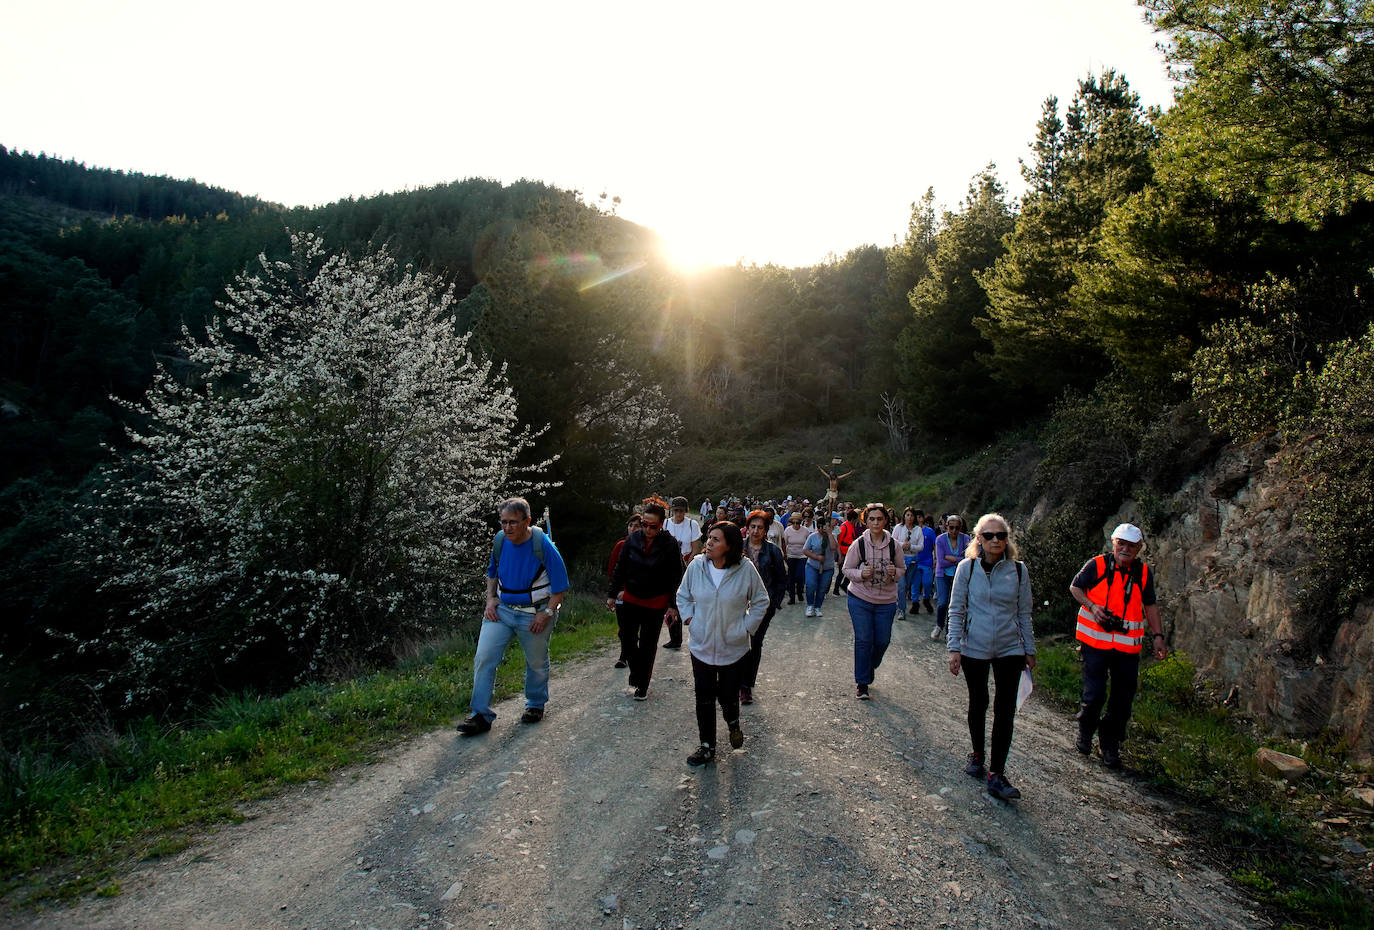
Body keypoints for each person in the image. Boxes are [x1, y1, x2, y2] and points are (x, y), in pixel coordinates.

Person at [458, 498, 569, 736]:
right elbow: (492, 573)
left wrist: (546, 614)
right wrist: (490, 599)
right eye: (504, 522)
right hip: (502, 611)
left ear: (527, 521)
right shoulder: (500, 541)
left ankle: (535, 704)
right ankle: (480, 715)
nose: (507, 528)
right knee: (484, 657)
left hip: (535, 614)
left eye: (513, 523)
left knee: (536, 662)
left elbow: (560, 588)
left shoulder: (543, 545)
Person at [946, 513, 1036, 801]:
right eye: (988, 536)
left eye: (1000, 535)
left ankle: (996, 773)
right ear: (978, 539)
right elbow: (956, 609)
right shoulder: (966, 569)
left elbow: (1024, 613)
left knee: (1005, 709)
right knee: (979, 701)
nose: (995, 540)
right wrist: (954, 648)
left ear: (1007, 539)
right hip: (974, 647)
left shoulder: (1019, 571)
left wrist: (1029, 649)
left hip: (1011, 648)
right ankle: (977, 753)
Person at [1069, 523, 1166, 769]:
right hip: (1095, 642)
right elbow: (1075, 587)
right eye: (1120, 544)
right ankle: (1085, 731)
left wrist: (1158, 636)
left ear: (1139, 548)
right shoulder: (1097, 565)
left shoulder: (1143, 573)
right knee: (1095, 694)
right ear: (1113, 544)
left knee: (1122, 700)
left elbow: (1151, 605)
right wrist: (1093, 607)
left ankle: (1109, 743)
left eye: (1131, 546)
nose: (1125, 549)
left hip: (1128, 648)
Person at [676, 522, 770, 766]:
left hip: (734, 648)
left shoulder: (745, 569)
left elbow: (761, 601)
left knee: (728, 697)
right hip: (701, 645)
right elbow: (682, 595)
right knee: (703, 696)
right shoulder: (697, 566)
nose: (709, 542)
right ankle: (707, 745)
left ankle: (733, 723)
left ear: (729, 546)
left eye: (716, 540)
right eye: (709, 538)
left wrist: (745, 628)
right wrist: (691, 621)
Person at [607, 502, 684, 700]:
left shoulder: (670, 544)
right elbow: (620, 567)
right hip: (631, 597)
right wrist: (612, 593)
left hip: (656, 602)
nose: (648, 530)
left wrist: (673, 605)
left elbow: (676, 575)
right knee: (628, 639)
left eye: (653, 526)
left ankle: (642, 684)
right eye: (644, 524)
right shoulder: (632, 540)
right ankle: (636, 671)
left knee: (648, 645)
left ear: (661, 525)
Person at [842, 503, 905, 699]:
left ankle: (869, 665)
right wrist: (861, 573)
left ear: (886, 520)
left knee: (882, 640)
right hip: (860, 598)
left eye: (879, 519)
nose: (876, 522)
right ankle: (862, 683)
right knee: (864, 639)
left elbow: (902, 569)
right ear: (866, 521)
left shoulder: (895, 545)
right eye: (872, 519)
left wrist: (895, 573)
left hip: (886, 601)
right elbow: (846, 569)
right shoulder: (859, 544)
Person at [739, 509, 787, 705]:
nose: (756, 531)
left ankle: (746, 685)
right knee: (738, 641)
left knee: (755, 643)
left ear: (766, 530)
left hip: (762, 606)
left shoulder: (773, 551)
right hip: (737, 604)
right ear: (747, 528)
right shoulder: (737, 548)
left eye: (760, 527)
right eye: (753, 527)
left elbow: (781, 580)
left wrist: (773, 604)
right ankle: (735, 679)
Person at [662, 497, 702, 649]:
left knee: (680, 599)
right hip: (667, 566)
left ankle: (685, 633)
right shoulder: (666, 524)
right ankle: (675, 636)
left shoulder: (692, 525)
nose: (678, 513)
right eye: (676, 510)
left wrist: (688, 563)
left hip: (684, 565)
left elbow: (695, 548)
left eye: (681, 510)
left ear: (686, 511)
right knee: (670, 600)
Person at [607, 512, 643, 668]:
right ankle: (625, 653)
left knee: (634, 626)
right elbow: (612, 570)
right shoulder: (621, 546)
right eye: (631, 526)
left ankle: (627, 655)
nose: (633, 529)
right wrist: (615, 592)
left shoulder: (647, 546)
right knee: (623, 628)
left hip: (640, 594)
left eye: (637, 526)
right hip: (621, 595)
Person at [932, 514, 970, 640]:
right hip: (942, 575)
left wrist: (951, 558)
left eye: (957, 528)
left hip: (958, 575)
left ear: (960, 528)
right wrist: (958, 560)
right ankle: (939, 625)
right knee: (942, 602)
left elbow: (968, 559)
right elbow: (941, 562)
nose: (954, 531)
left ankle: (950, 631)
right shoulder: (940, 539)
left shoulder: (965, 539)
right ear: (946, 526)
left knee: (954, 604)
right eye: (951, 527)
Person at [892, 507, 926, 620]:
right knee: (901, 585)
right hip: (900, 559)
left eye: (911, 515)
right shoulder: (899, 527)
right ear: (904, 516)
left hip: (912, 560)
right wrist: (902, 545)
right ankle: (901, 609)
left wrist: (911, 546)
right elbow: (892, 541)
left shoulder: (918, 530)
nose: (909, 517)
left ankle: (899, 601)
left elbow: (921, 546)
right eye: (907, 515)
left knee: (907, 585)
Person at [802, 514, 837, 617]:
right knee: (811, 585)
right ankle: (810, 605)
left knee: (822, 588)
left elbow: (833, 548)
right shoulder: (812, 537)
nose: (822, 529)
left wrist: (830, 534)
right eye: (820, 527)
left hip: (827, 567)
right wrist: (816, 557)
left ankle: (818, 607)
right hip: (813, 565)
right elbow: (805, 550)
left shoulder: (832, 536)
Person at [782, 510, 811, 605]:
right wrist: (785, 555)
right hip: (791, 555)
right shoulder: (787, 530)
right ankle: (792, 597)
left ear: (800, 522)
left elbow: (808, 543)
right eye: (793, 522)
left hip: (802, 555)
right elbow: (784, 543)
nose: (795, 524)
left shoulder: (805, 531)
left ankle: (799, 591)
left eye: (797, 522)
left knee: (799, 575)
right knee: (790, 577)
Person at [832, 508, 860, 595]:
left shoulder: (851, 526)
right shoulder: (844, 527)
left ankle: (844, 585)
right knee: (841, 572)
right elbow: (839, 542)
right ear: (853, 519)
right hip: (843, 553)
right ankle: (836, 589)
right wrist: (839, 555)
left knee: (850, 570)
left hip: (849, 553)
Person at [916, 512, 938, 614]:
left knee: (927, 582)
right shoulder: (912, 531)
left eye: (919, 517)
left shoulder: (929, 531)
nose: (918, 519)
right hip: (914, 561)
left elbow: (935, 545)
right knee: (915, 584)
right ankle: (915, 602)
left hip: (927, 561)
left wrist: (936, 558)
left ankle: (926, 598)